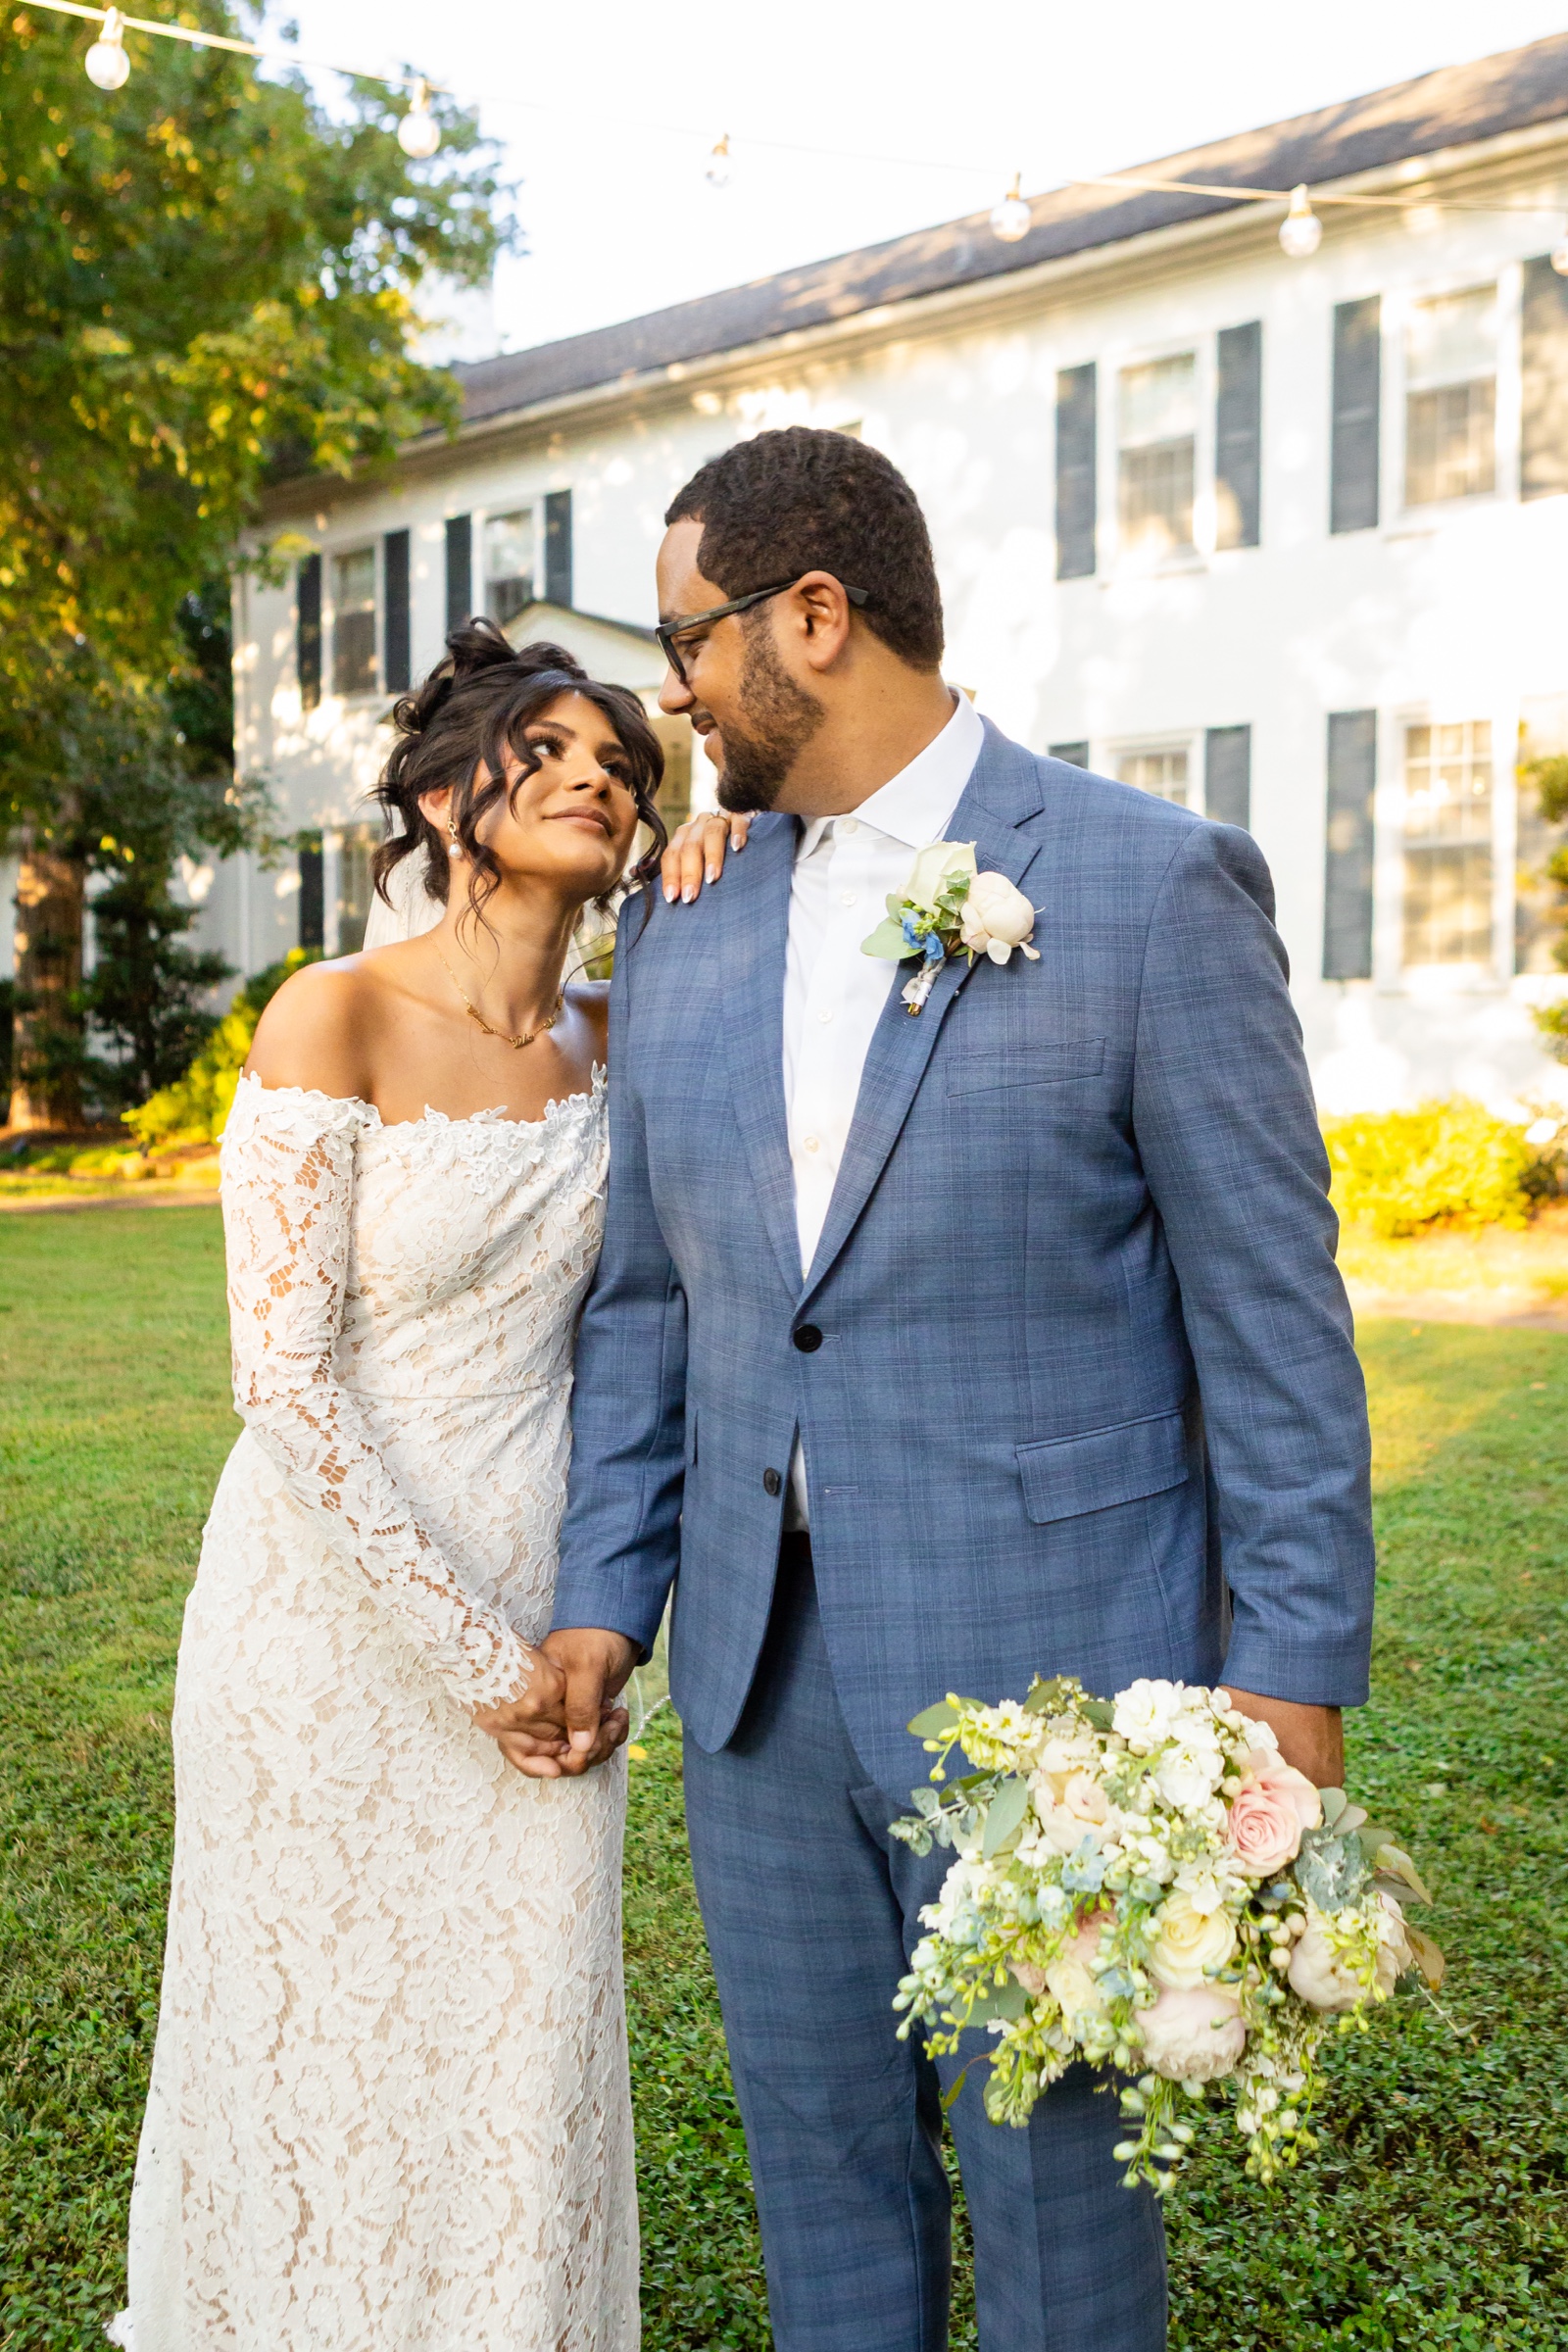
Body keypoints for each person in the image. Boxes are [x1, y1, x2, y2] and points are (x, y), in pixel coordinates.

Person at [540, 427, 1376, 2352]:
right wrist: (606, 1590)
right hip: (756, 1685)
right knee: (820, 2174)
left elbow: (1270, 1324)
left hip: (1054, 1686)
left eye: (687, 638)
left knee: (1061, 2212)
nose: (666, 690)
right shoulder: (683, 909)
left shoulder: (1147, 889)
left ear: (810, 619)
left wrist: (1291, 1690)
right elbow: (649, 1303)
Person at [112, 625, 740, 2352]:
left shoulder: (635, 1031)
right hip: (331, 1619)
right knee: (317, 2035)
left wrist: (727, 863)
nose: (595, 773)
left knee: (521, 2041)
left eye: (622, 758)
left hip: (565, 1607)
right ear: (452, 794)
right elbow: (285, 1384)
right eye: (547, 748)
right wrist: (477, 1661)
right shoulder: (335, 1011)